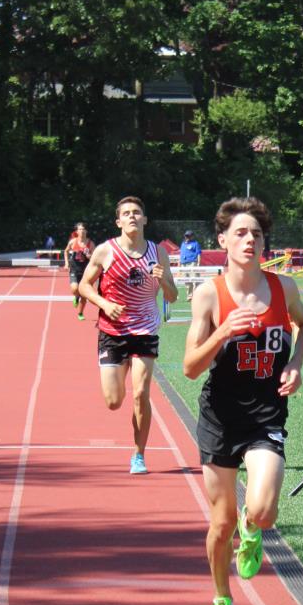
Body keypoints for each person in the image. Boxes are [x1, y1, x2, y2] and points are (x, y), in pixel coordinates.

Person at [183, 197, 303, 605]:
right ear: (222, 240)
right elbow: (190, 367)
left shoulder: (283, 288)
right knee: (220, 525)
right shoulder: (209, 294)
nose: (249, 240)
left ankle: (252, 527)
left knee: (263, 511)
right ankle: (222, 601)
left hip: (265, 416)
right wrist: (223, 330)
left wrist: (295, 364)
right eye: (240, 233)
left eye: (256, 233)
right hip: (220, 419)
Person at [78, 197, 177, 475]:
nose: (132, 216)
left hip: (145, 329)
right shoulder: (105, 251)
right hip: (113, 331)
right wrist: (104, 303)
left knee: (141, 393)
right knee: (114, 401)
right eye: (126, 213)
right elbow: (84, 286)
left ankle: (139, 455)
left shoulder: (158, 252)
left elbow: (172, 296)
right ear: (118, 221)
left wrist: (163, 280)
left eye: (137, 212)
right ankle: (119, 386)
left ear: (145, 219)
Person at [63, 222, 95, 320]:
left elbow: (95, 258)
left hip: (86, 271)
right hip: (74, 269)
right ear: (77, 231)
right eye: (80, 229)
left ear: (86, 231)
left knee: (84, 295)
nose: (82, 231)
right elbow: (66, 251)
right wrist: (66, 263)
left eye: (83, 229)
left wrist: (89, 256)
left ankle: (80, 313)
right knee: (74, 288)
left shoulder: (90, 244)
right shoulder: (73, 242)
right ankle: (76, 297)